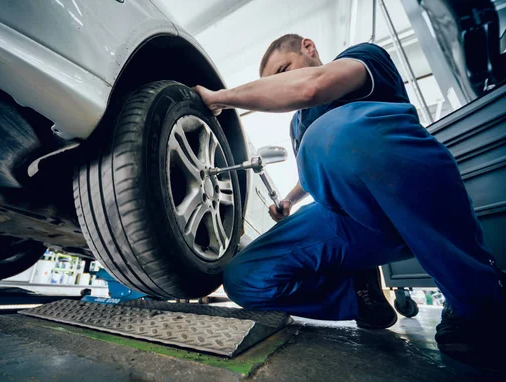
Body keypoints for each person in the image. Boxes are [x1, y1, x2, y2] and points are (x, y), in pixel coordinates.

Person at [194, 34, 505, 357]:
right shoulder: (300, 125)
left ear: (309, 46)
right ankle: (358, 294)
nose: (283, 81)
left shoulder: (362, 58)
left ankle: (477, 298)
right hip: (351, 216)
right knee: (244, 277)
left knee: (329, 135)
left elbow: (312, 88)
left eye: (284, 69)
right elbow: (313, 172)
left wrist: (221, 98)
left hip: (412, 190)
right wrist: (288, 200)